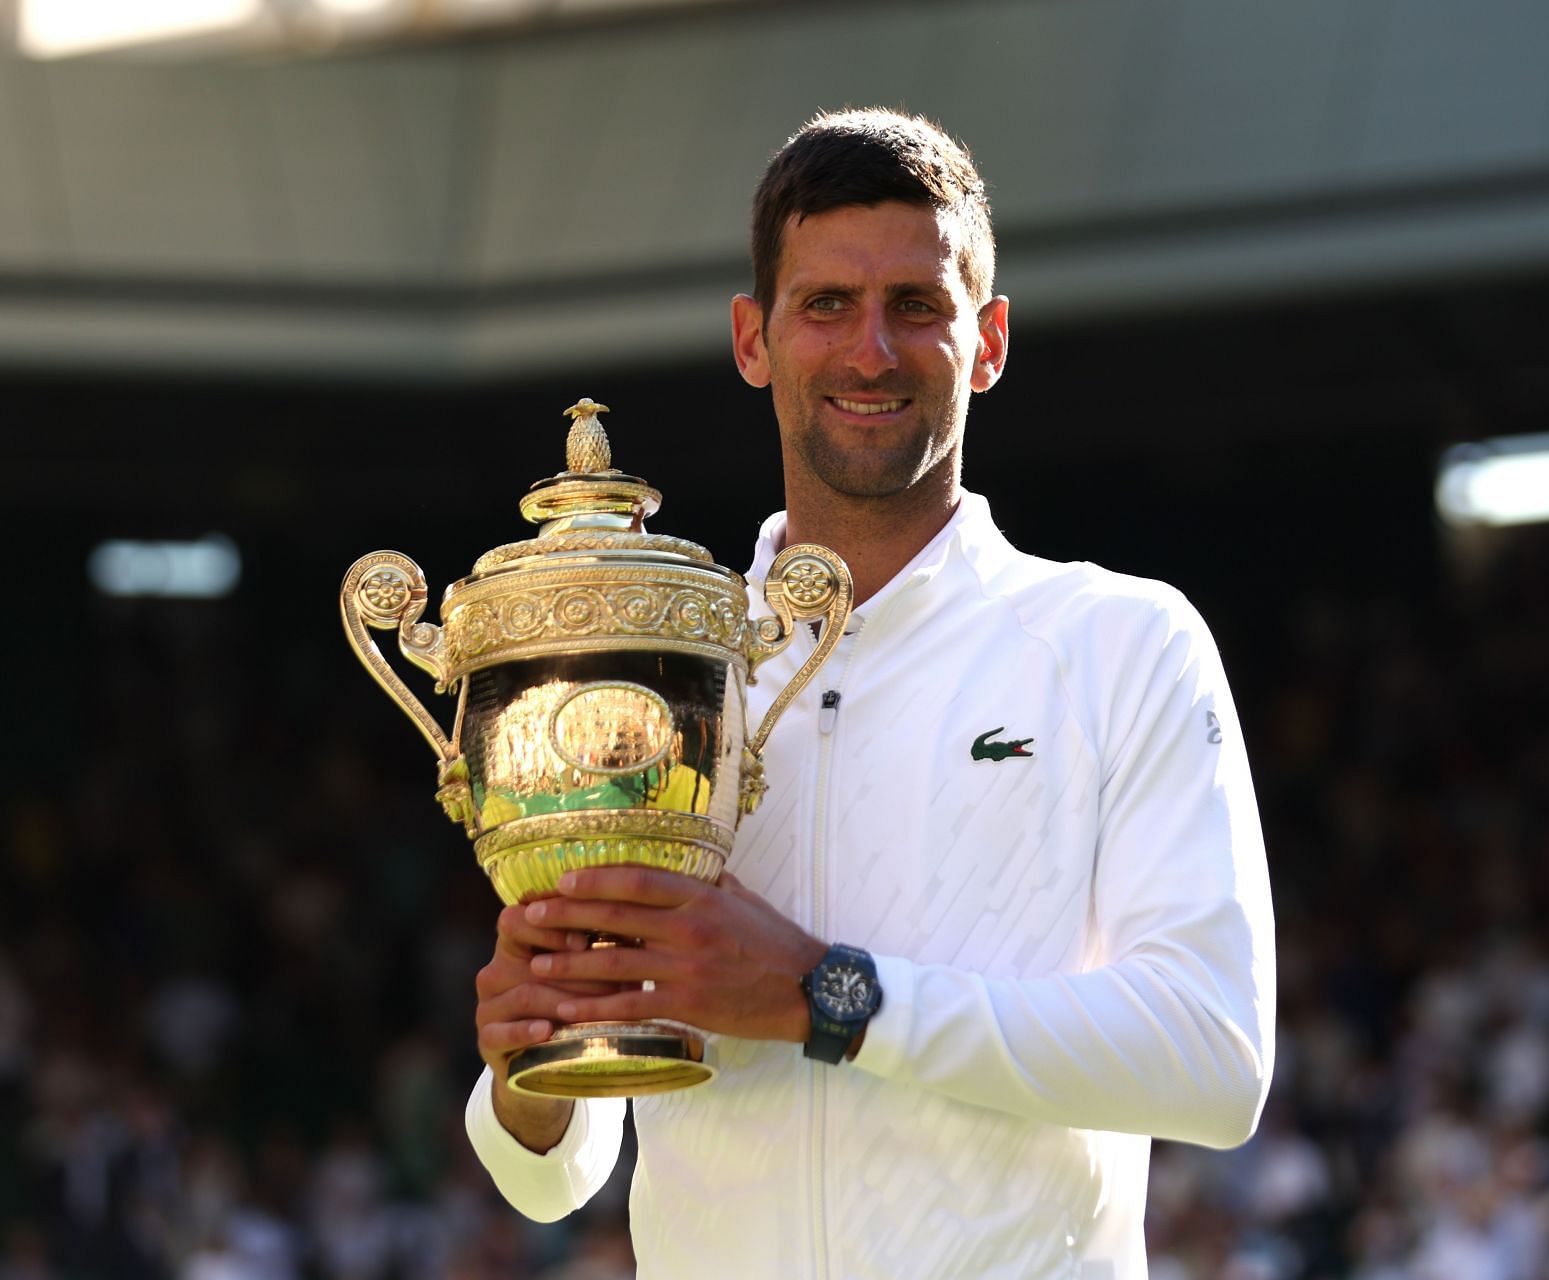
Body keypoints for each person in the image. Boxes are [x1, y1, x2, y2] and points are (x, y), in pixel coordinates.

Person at [465, 107, 1276, 1280]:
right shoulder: (662, 669)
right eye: (827, 305)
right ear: (754, 338)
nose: (871, 352)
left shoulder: (1122, 640)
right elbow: (553, 1172)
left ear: (989, 339)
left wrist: (828, 995)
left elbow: (1213, 1059)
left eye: (918, 305)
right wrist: (525, 1073)